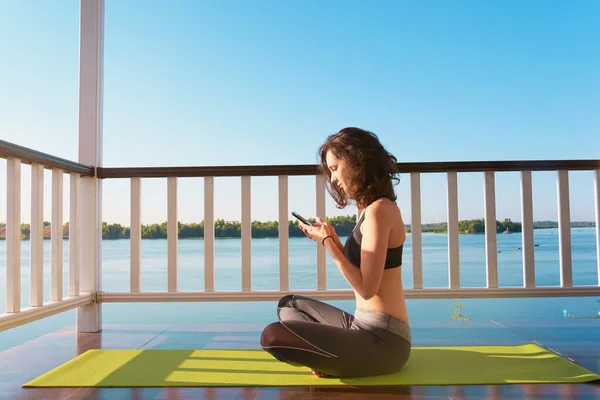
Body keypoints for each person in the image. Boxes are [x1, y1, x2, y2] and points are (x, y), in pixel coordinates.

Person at [260, 127, 411, 378]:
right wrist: (330, 237)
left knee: (272, 336)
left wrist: (329, 242)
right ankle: (334, 356)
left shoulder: (380, 210)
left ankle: (334, 358)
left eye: (334, 168)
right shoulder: (369, 210)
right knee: (289, 305)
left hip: (386, 342)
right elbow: (363, 269)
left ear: (356, 161)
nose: (332, 179)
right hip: (360, 326)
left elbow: (367, 288)